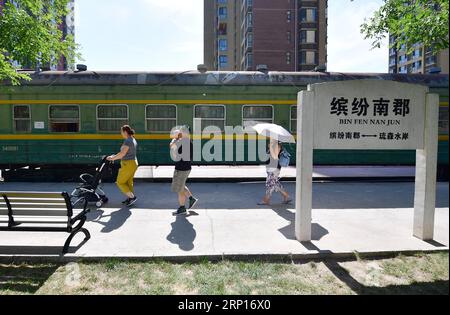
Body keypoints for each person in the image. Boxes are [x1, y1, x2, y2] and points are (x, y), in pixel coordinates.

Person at [107, 125, 139, 207]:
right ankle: (130, 198)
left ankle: (132, 197)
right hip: (133, 163)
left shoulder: (128, 141)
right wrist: (114, 156)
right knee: (128, 182)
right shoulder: (132, 139)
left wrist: (112, 158)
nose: (121, 133)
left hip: (128, 163)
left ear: (125, 132)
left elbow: (122, 154)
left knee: (120, 182)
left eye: (121, 132)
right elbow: (123, 153)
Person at [170, 126, 198, 216]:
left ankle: (182, 208)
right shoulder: (188, 141)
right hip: (185, 167)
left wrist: (175, 138)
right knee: (181, 185)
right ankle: (191, 198)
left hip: (182, 168)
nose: (180, 132)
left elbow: (171, 146)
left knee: (180, 189)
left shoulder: (183, 141)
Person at [258, 139, 292, 206]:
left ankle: (266, 199)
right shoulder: (273, 145)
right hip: (271, 168)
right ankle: (286, 196)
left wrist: (270, 147)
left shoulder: (277, 146)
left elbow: (275, 157)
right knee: (275, 183)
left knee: (270, 184)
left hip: (274, 169)